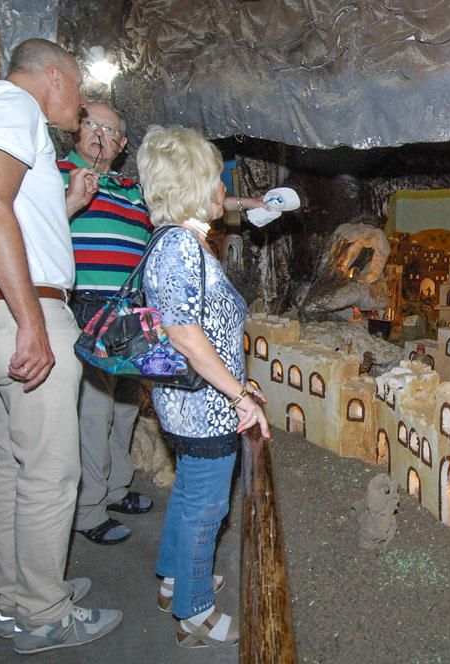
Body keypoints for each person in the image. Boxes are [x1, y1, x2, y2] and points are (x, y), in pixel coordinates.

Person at [0, 38, 121, 654]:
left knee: (18, 464)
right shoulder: (13, 108)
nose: (84, 109)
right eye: (80, 92)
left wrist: (65, 205)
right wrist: (33, 322)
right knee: (52, 469)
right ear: (53, 76)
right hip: (21, 308)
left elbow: (8, 210)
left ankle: (18, 597)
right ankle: (46, 613)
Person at [137, 124, 270, 648]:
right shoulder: (180, 247)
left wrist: (238, 380)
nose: (223, 190)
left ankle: (175, 580)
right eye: (217, 180)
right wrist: (238, 395)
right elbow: (188, 335)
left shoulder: (183, 240)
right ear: (193, 185)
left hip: (195, 400)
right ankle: (194, 613)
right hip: (205, 407)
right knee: (206, 508)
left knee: (192, 493)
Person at [58, 102, 154, 545]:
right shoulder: (58, 173)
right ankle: (89, 508)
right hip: (86, 302)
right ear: (77, 132)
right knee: (93, 410)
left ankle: (116, 488)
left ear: (122, 145)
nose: (100, 135)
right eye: (92, 125)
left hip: (130, 308)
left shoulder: (132, 188)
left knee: (126, 405)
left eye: (111, 130)